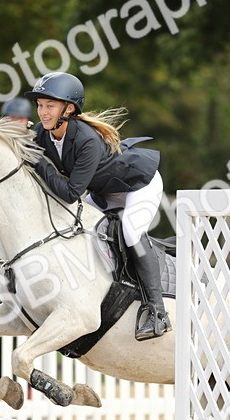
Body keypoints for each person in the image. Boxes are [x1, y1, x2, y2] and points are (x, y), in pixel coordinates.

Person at [24, 72, 169, 340]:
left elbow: (70, 193)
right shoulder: (42, 134)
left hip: (138, 185)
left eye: (49, 106)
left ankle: (157, 312)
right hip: (105, 192)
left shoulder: (86, 139)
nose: (42, 112)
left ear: (68, 109)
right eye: (40, 105)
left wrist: (39, 161)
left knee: (131, 232)